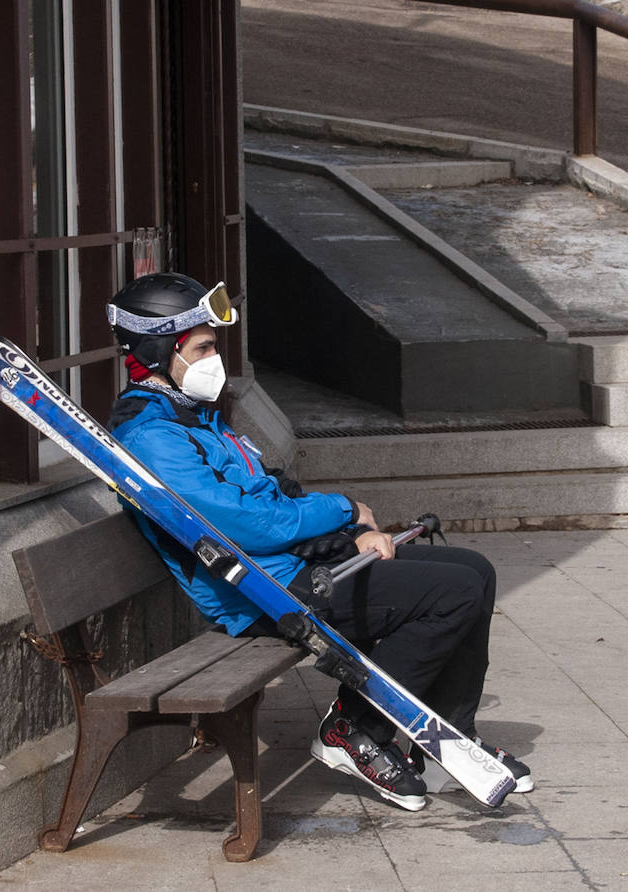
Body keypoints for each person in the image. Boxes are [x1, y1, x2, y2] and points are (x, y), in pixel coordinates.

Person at [105, 272, 531, 811]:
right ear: (159, 350)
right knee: (453, 593)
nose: (215, 359)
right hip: (265, 595)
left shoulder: (196, 420)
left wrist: (351, 533)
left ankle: (448, 736)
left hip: (289, 569)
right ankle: (353, 729)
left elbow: (276, 491)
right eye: (204, 347)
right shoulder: (153, 438)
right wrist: (343, 508)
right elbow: (248, 524)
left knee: (474, 569)